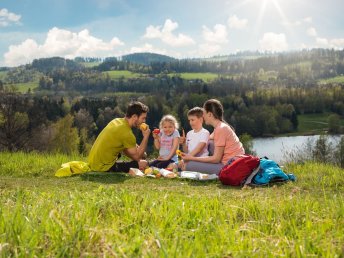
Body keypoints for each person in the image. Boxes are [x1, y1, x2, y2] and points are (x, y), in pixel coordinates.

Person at [181, 99, 244, 174]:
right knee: (210, 142)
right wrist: (185, 142)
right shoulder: (219, 127)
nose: (203, 116)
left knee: (188, 165)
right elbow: (206, 140)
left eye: (204, 113)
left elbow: (216, 159)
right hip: (232, 162)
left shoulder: (221, 129)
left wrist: (192, 158)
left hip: (230, 166)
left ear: (210, 114)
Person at [88, 101, 150, 172]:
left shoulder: (117, 121)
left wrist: (142, 154)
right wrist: (145, 137)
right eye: (143, 118)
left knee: (139, 159)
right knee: (142, 164)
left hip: (93, 164)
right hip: (103, 167)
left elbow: (127, 147)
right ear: (134, 117)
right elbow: (137, 157)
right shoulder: (127, 133)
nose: (144, 121)